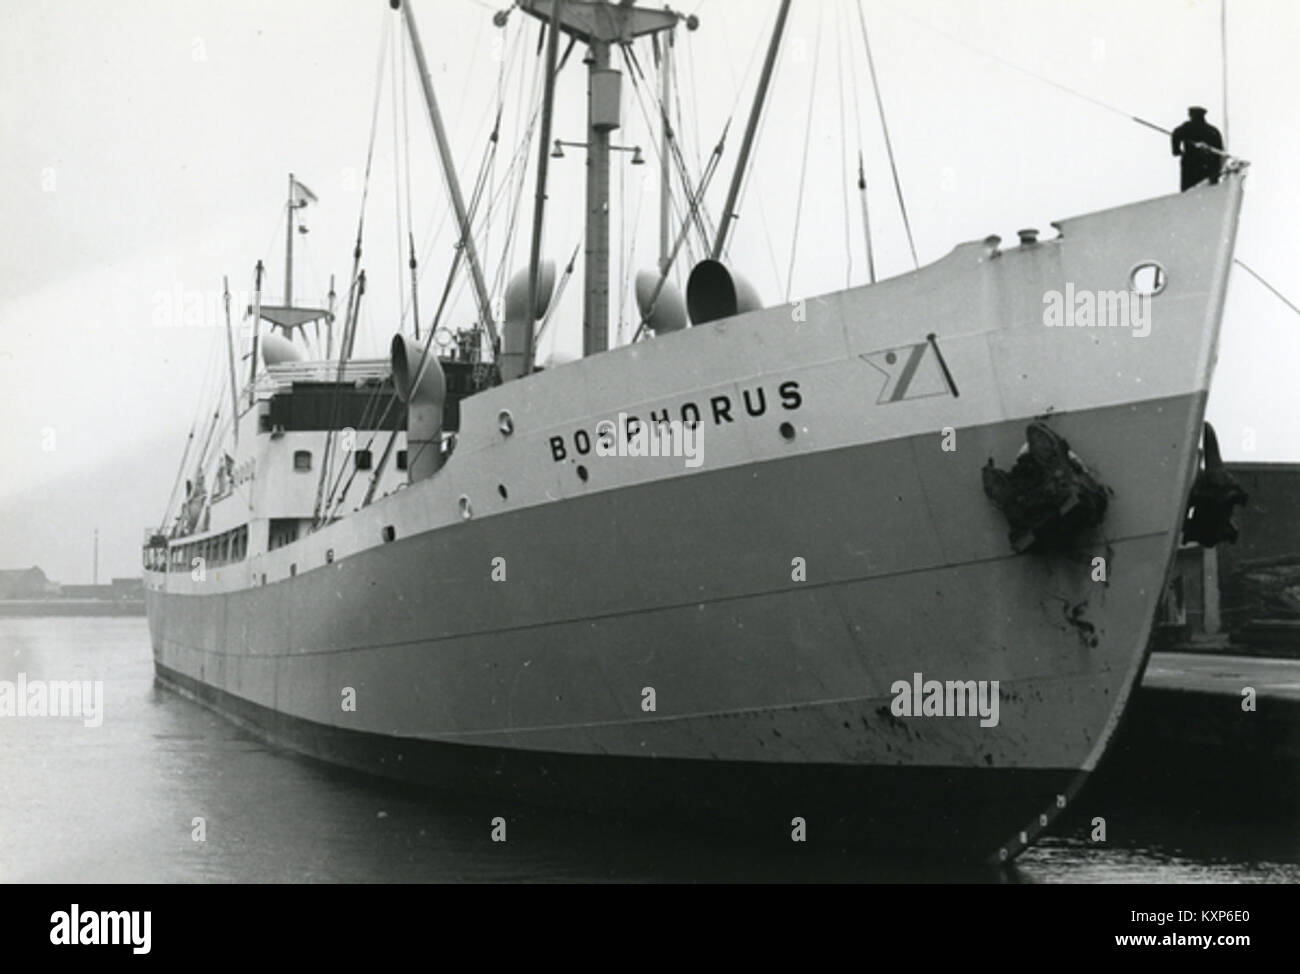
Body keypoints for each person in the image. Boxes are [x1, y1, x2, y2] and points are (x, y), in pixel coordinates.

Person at [1171, 106, 1224, 191]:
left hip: (1191, 165)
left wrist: (1177, 151)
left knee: (1189, 192)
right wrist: (1218, 169)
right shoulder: (1213, 131)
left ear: (1191, 115)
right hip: (1209, 167)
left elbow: (1175, 135)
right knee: (1209, 190)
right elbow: (1220, 152)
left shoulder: (1187, 128)